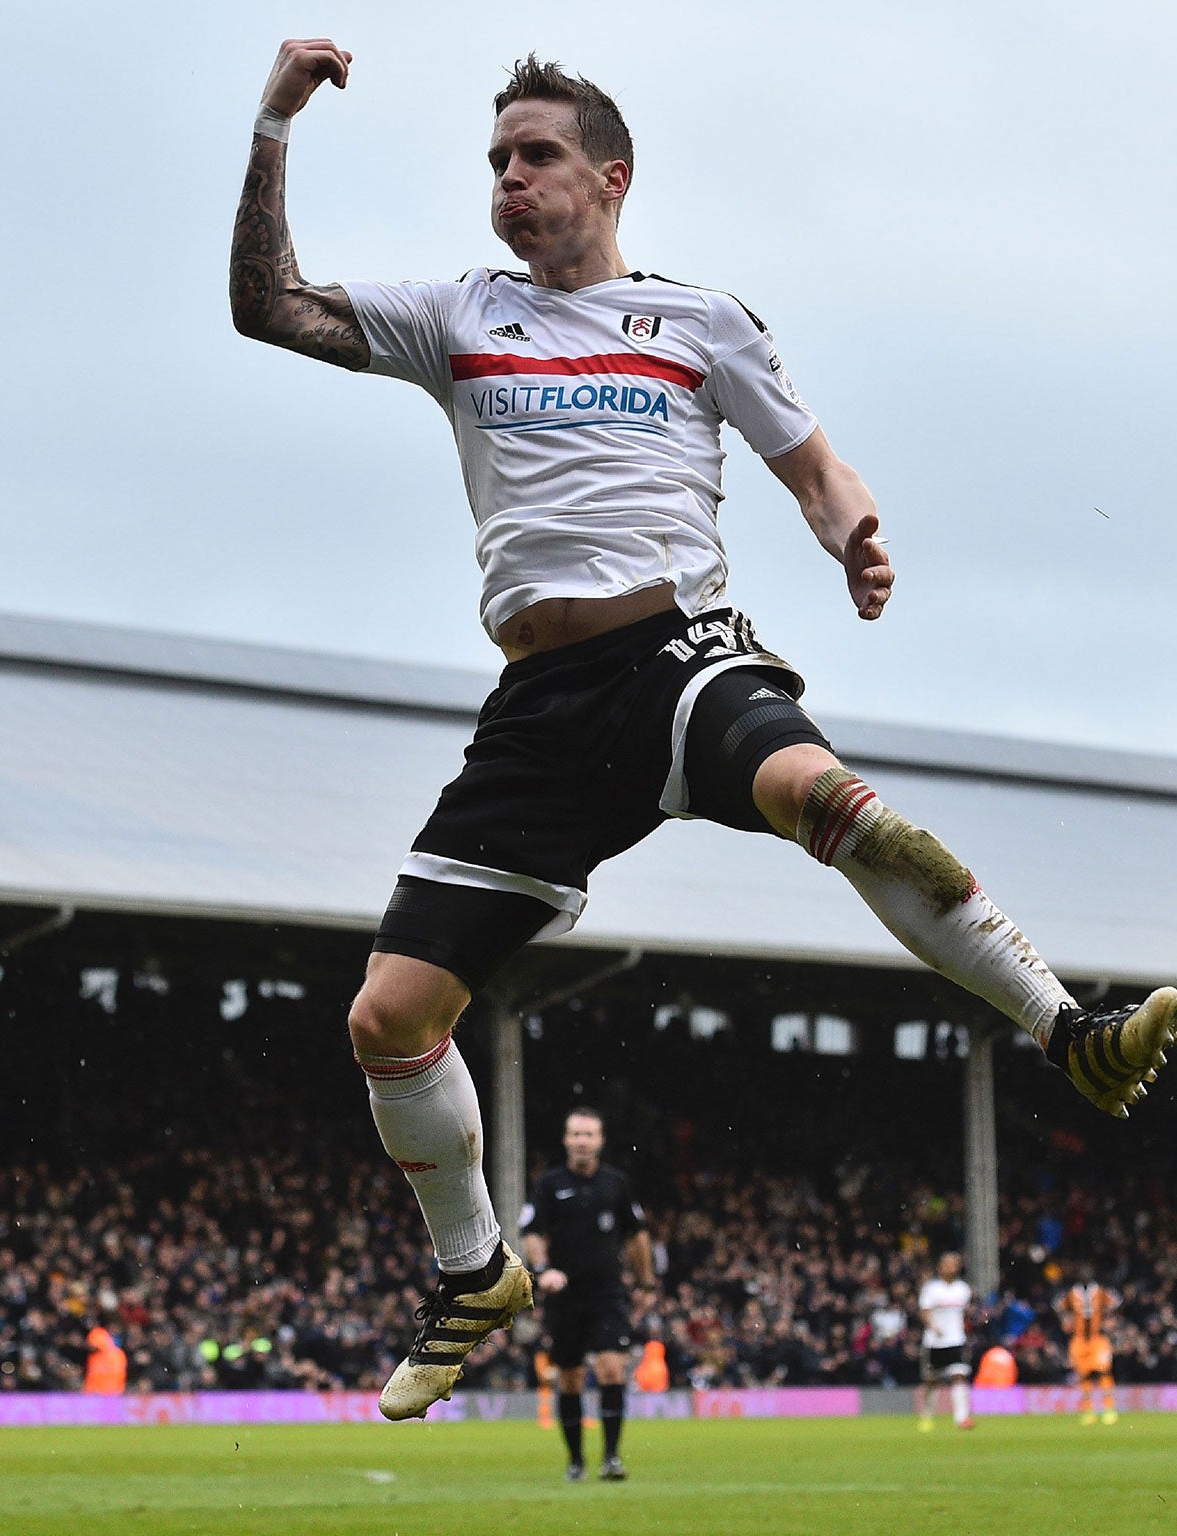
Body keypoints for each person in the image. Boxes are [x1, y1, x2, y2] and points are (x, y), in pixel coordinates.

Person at [228, 39, 1177, 1423]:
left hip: (678, 656)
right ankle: (475, 1272)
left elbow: (813, 459)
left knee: (843, 806)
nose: (509, 179)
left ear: (611, 177)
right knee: (388, 1019)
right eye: (495, 160)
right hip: (541, 717)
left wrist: (850, 528)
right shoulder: (457, 315)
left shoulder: (699, 323)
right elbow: (268, 310)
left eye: (536, 155)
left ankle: (1069, 1030)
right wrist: (271, 125)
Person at [520, 1108, 652, 1481]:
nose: (582, 1141)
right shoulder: (548, 1184)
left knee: (612, 1368)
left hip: (608, 1294)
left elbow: (636, 1233)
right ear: (566, 1140)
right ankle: (576, 1461)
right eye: (575, 1134)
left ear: (600, 1141)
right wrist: (544, 1270)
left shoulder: (616, 1183)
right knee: (571, 1377)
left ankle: (611, 1457)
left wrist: (646, 1283)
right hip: (565, 1296)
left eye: (588, 1135)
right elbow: (532, 1231)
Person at [915, 1252, 974, 1431]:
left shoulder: (963, 1289)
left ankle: (961, 1418)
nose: (951, 1267)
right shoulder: (931, 1289)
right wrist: (933, 1326)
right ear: (940, 1267)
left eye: (954, 1264)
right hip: (935, 1341)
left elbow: (965, 1314)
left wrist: (964, 1328)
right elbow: (924, 1311)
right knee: (931, 1380)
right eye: (948, 1264)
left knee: (959, 1375)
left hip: (956, 1340)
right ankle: (927, 1414)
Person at [1059, 1269, 1120, 1425]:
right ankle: (1088, 1411)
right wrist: (1066, 1320)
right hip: (1079, 1339)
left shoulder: (1100, 1291)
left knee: (1103, 1372)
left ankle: (1109, 1409)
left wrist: (1109, 1319)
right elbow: (1059, 1306)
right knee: (1083, 1375)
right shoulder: (1073, 1293)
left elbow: (1116, 1302)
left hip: (1097, 1338)